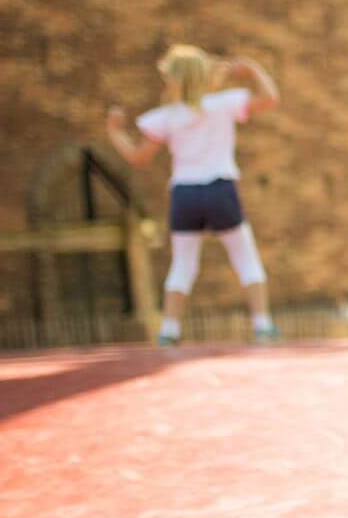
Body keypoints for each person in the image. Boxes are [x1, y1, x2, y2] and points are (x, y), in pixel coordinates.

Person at [105, 44, 279, 345]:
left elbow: (136, 156)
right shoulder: (224, 103)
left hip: (185, 194)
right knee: (244, 256)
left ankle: (169, 330)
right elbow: (270, 99)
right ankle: (262, 325)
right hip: (220, 189)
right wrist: (252, 69)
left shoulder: (166, 116)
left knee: (183, 263)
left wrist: (114, 132)